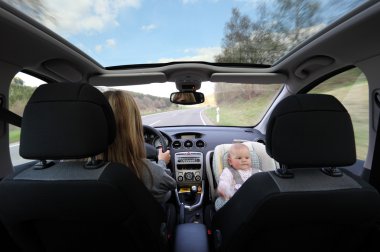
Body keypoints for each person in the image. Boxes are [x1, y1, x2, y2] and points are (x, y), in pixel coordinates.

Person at [102, 90, 177, 204]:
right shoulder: (146, 171)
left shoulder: (66, 172)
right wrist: (162, 161)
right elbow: (171, 183)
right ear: (133, 127)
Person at [215, 143, 261, 210]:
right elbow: (224, 181)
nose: (244, 160)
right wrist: (223, 189)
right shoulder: (229, 172)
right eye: (239, 158)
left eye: (247, 157)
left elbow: (265, 181)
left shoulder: (257, 172)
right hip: (237, 202)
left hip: (255, 200)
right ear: (230, 161)